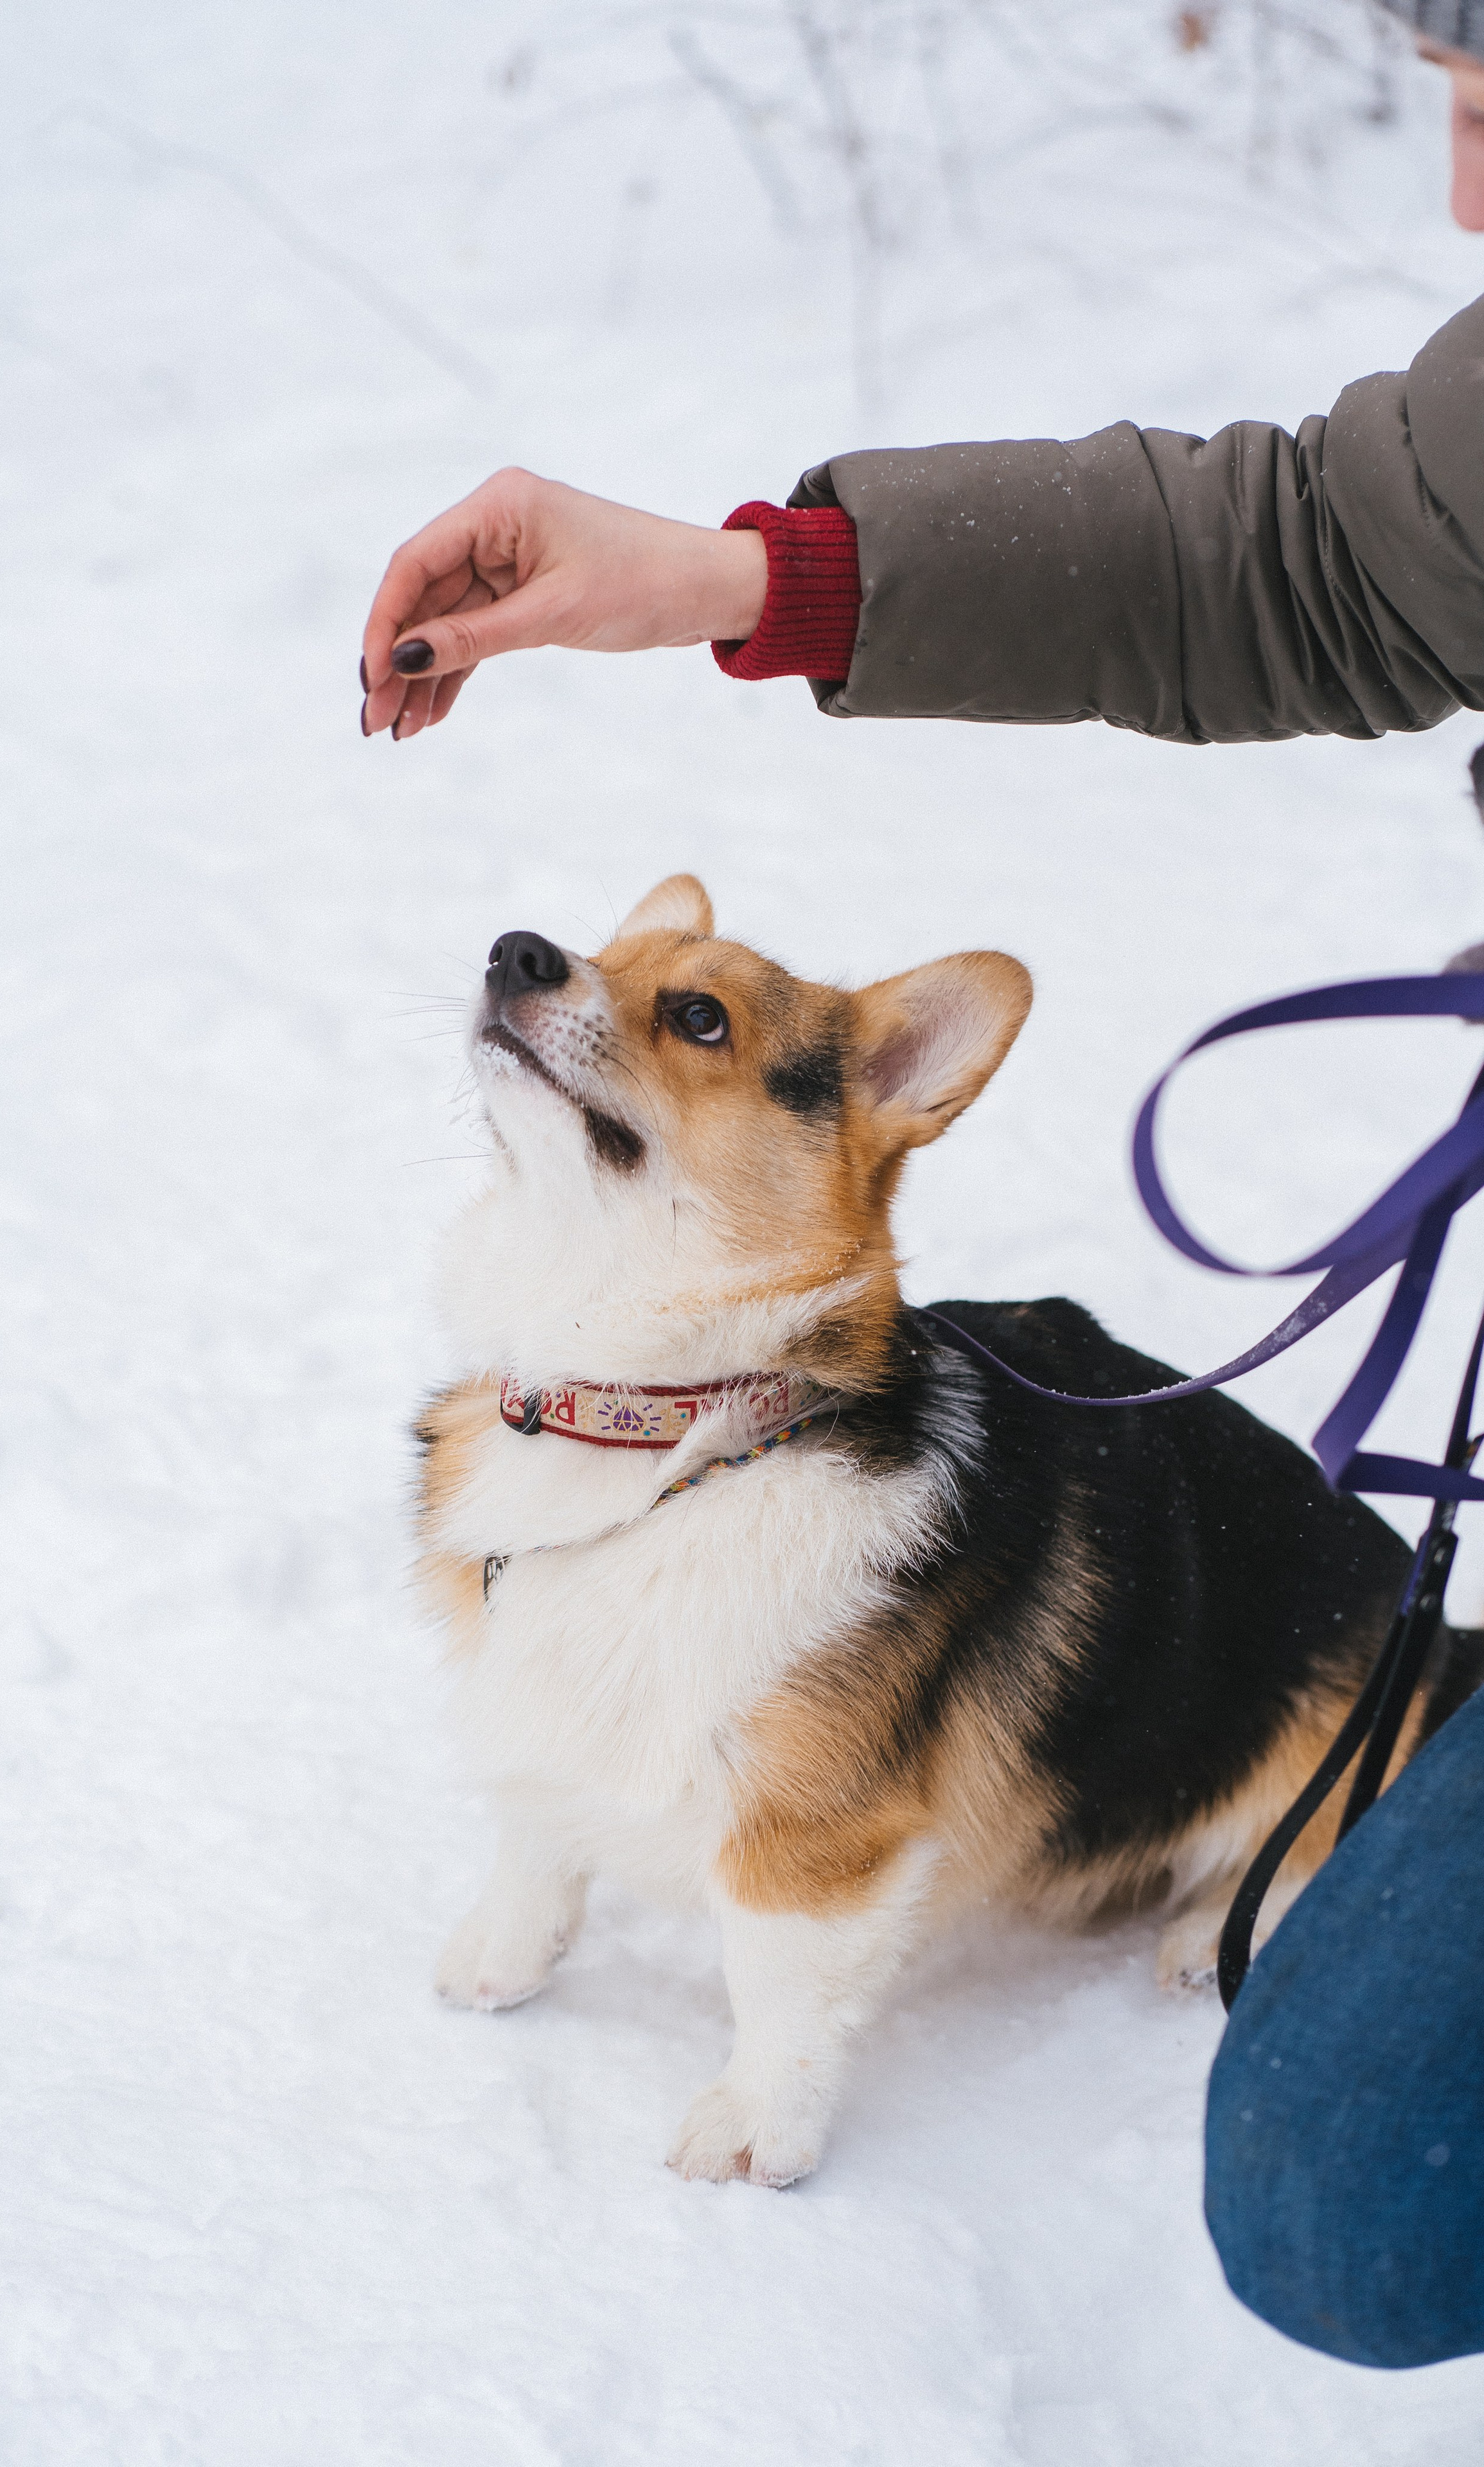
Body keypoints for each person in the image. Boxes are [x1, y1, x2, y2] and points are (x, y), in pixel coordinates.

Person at [364, 4, 1484, 2371]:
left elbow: (814, 1839)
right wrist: (725, 576)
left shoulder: (845, 1506)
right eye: (1459, 104)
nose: (1469, 198)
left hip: (1217, 1685)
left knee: (1350, 2209)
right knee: (1348, 2209)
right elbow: (1301, 549)